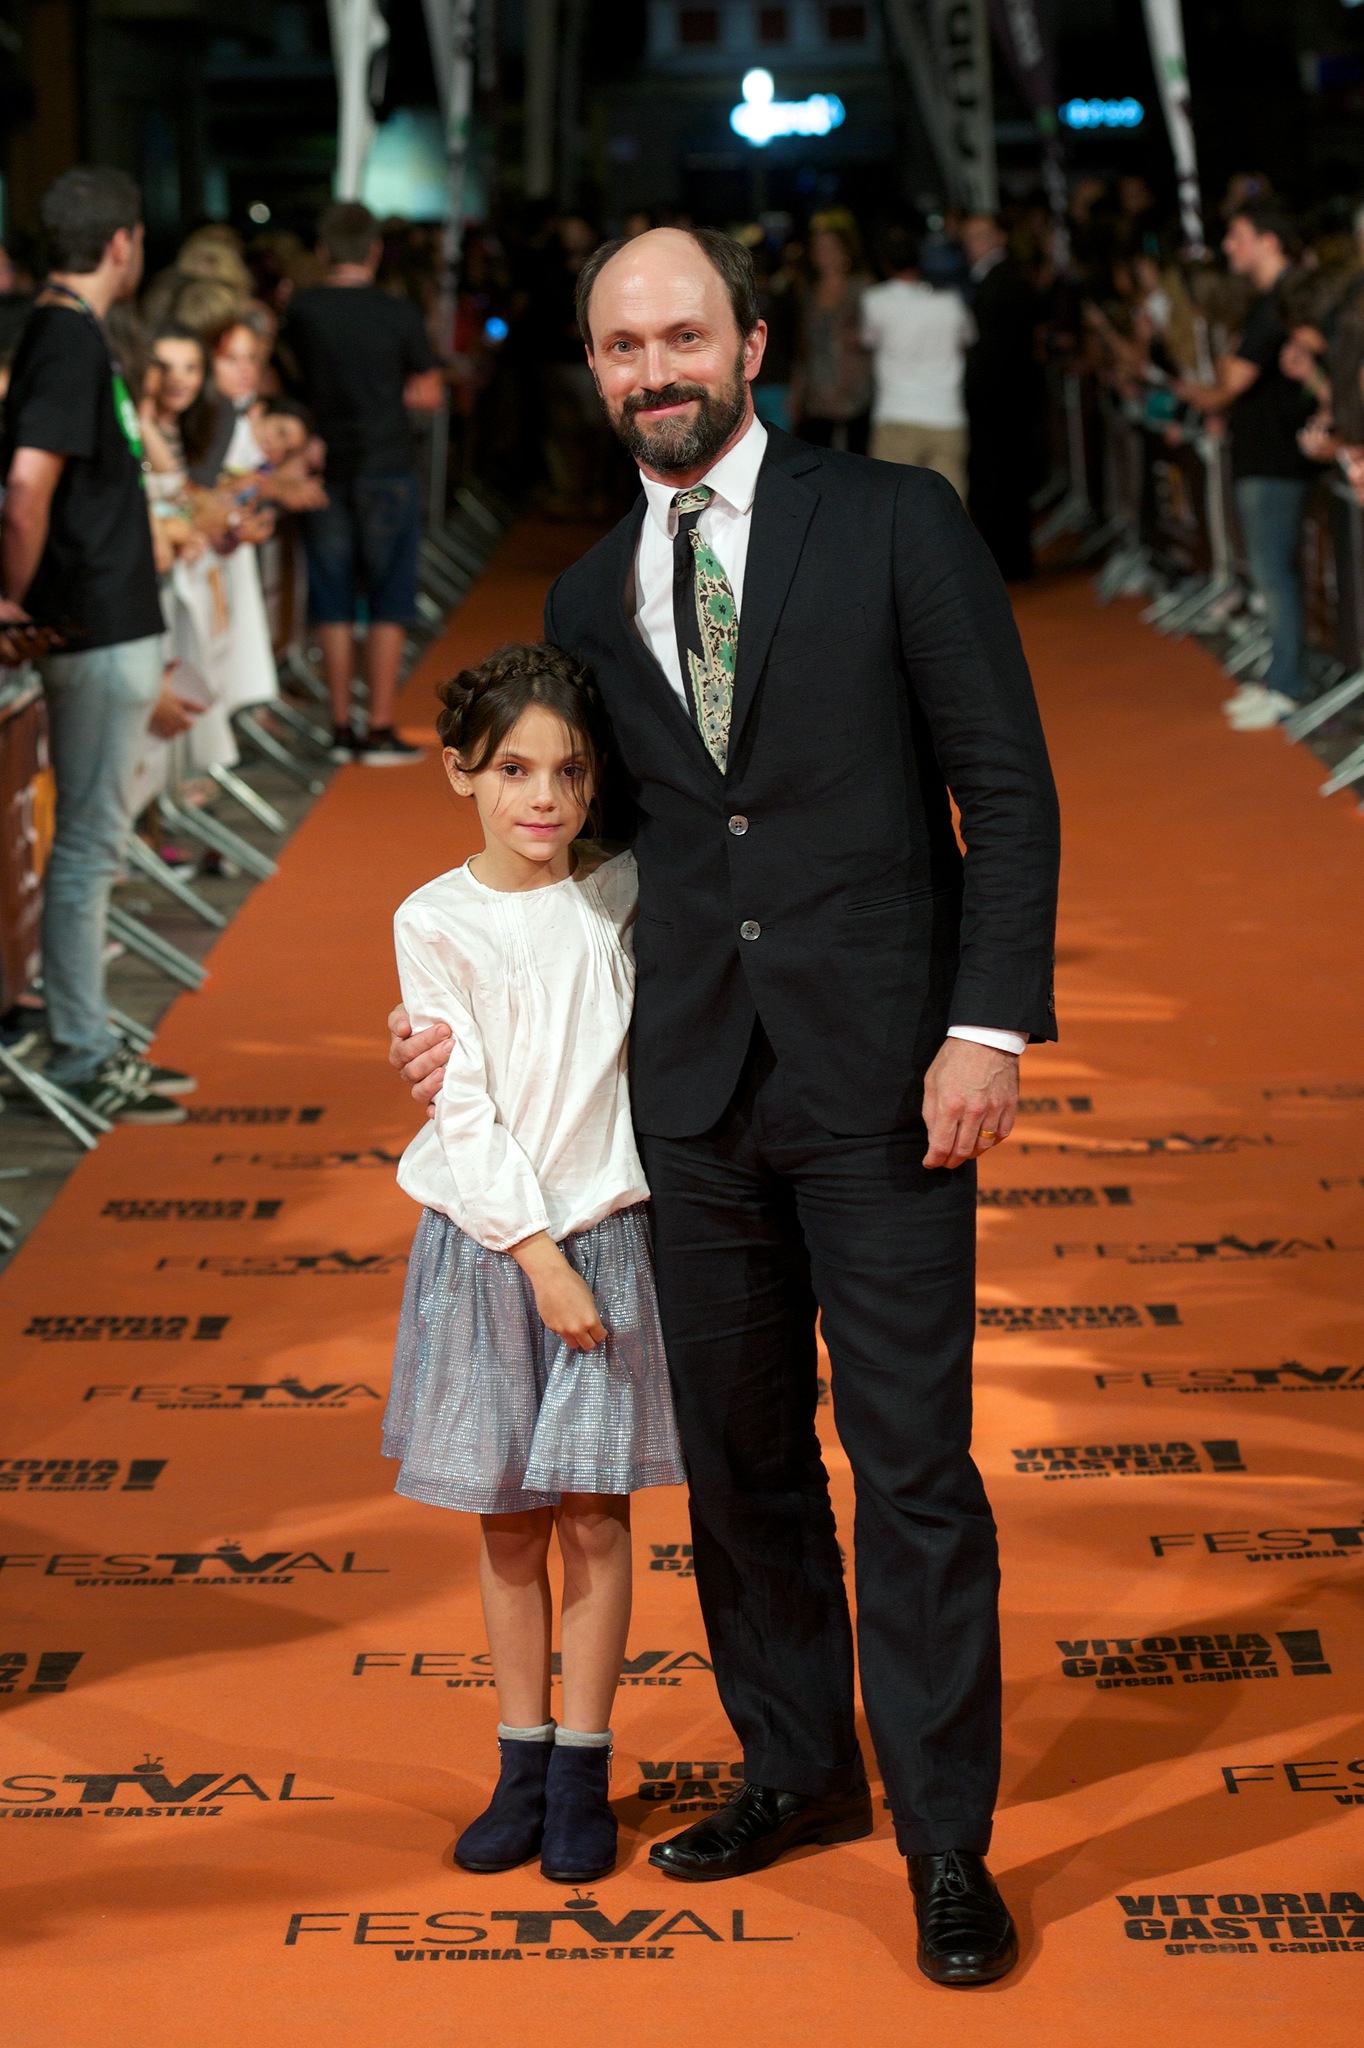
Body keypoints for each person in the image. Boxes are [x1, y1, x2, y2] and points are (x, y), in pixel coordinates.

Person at [391, 226, 1060, 1986]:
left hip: (886, 1077)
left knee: (909, 1466)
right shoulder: (583, 588)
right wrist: (457, 999)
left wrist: (983, 1026)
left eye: (682, 333)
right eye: (623, 346)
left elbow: (1002, 779)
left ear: (750, 341)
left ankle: (941, 1837)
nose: (653, 367)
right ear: (595, 370)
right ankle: (793, 1762)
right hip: (680, 1097)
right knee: (745, 1466)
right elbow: (579, 851)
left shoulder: (892, 525)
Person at [387, 640, 685, 1882]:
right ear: (461, 771)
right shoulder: (431, 918)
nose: (541, 797)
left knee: (596, 1522)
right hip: (489, 1247)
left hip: (610, 1236)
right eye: (512, 768)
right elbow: (461, 1113)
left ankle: (582, 1766)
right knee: (509, 1528)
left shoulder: (620, 894)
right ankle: (517, 1761)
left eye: (566, 770)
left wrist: (577, 1256)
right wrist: (533, 1256)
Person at [0, 166, 195, 1123]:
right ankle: (79, 1048)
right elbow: (28, 487)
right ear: (123, 242)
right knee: (84, 850)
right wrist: (9, 592)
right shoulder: (66, 339)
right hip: (92, 622)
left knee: (85, 847)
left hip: (97, 620)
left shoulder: (60, 334)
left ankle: (84, 1035)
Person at [283, 200, 444, 764]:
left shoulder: (300, 309)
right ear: (375, 251)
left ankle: (339, 727)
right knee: (387, 597)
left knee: (331, 597)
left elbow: (283, 382)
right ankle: (379, 725)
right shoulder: (397, 312)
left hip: (322, 464)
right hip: (388, 464)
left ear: (323, 251)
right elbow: (428, 392)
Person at [1176, 204, 1321, 731]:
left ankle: (1287, 683)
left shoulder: (1281, 305)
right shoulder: (1267, 303)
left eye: (1238, 236)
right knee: (1268, 573)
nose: (1229, 246)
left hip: (1278, 458)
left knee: (1273, 573)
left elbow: (1232, 378)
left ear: (1269, 241)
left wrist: (1221, 380)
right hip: (1265, 453)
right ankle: (1279, 675)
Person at [861, 224, 974, 500]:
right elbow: (968, 339)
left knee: (892, 509)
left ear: (885, 263)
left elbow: (867, 340)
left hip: (897, 415)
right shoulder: (950, 301)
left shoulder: (876, 300)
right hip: (947, 416)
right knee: (950, 513)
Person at [960, 213, 1044, 580]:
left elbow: (996, 350)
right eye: (969, 236)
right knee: (1004, 484)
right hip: (1007, 401)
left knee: (1000, 484)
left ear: (1000, 238)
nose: (973, 243)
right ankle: (1011, 562)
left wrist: (973, 393)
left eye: (981, 235)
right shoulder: (1000, 279)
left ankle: (1007, 565)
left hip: (999, 404)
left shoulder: (1001, 281)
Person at [791, 211, 873, 453]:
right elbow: (803, 347)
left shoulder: (862, 288)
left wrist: (856, 336)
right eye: (818, 248)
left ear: (845, 250)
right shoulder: (808, 293)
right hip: (818, 393)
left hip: (856, 391)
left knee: (858, 461)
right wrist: (797, 391)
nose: (823, 254)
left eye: (830, 247)